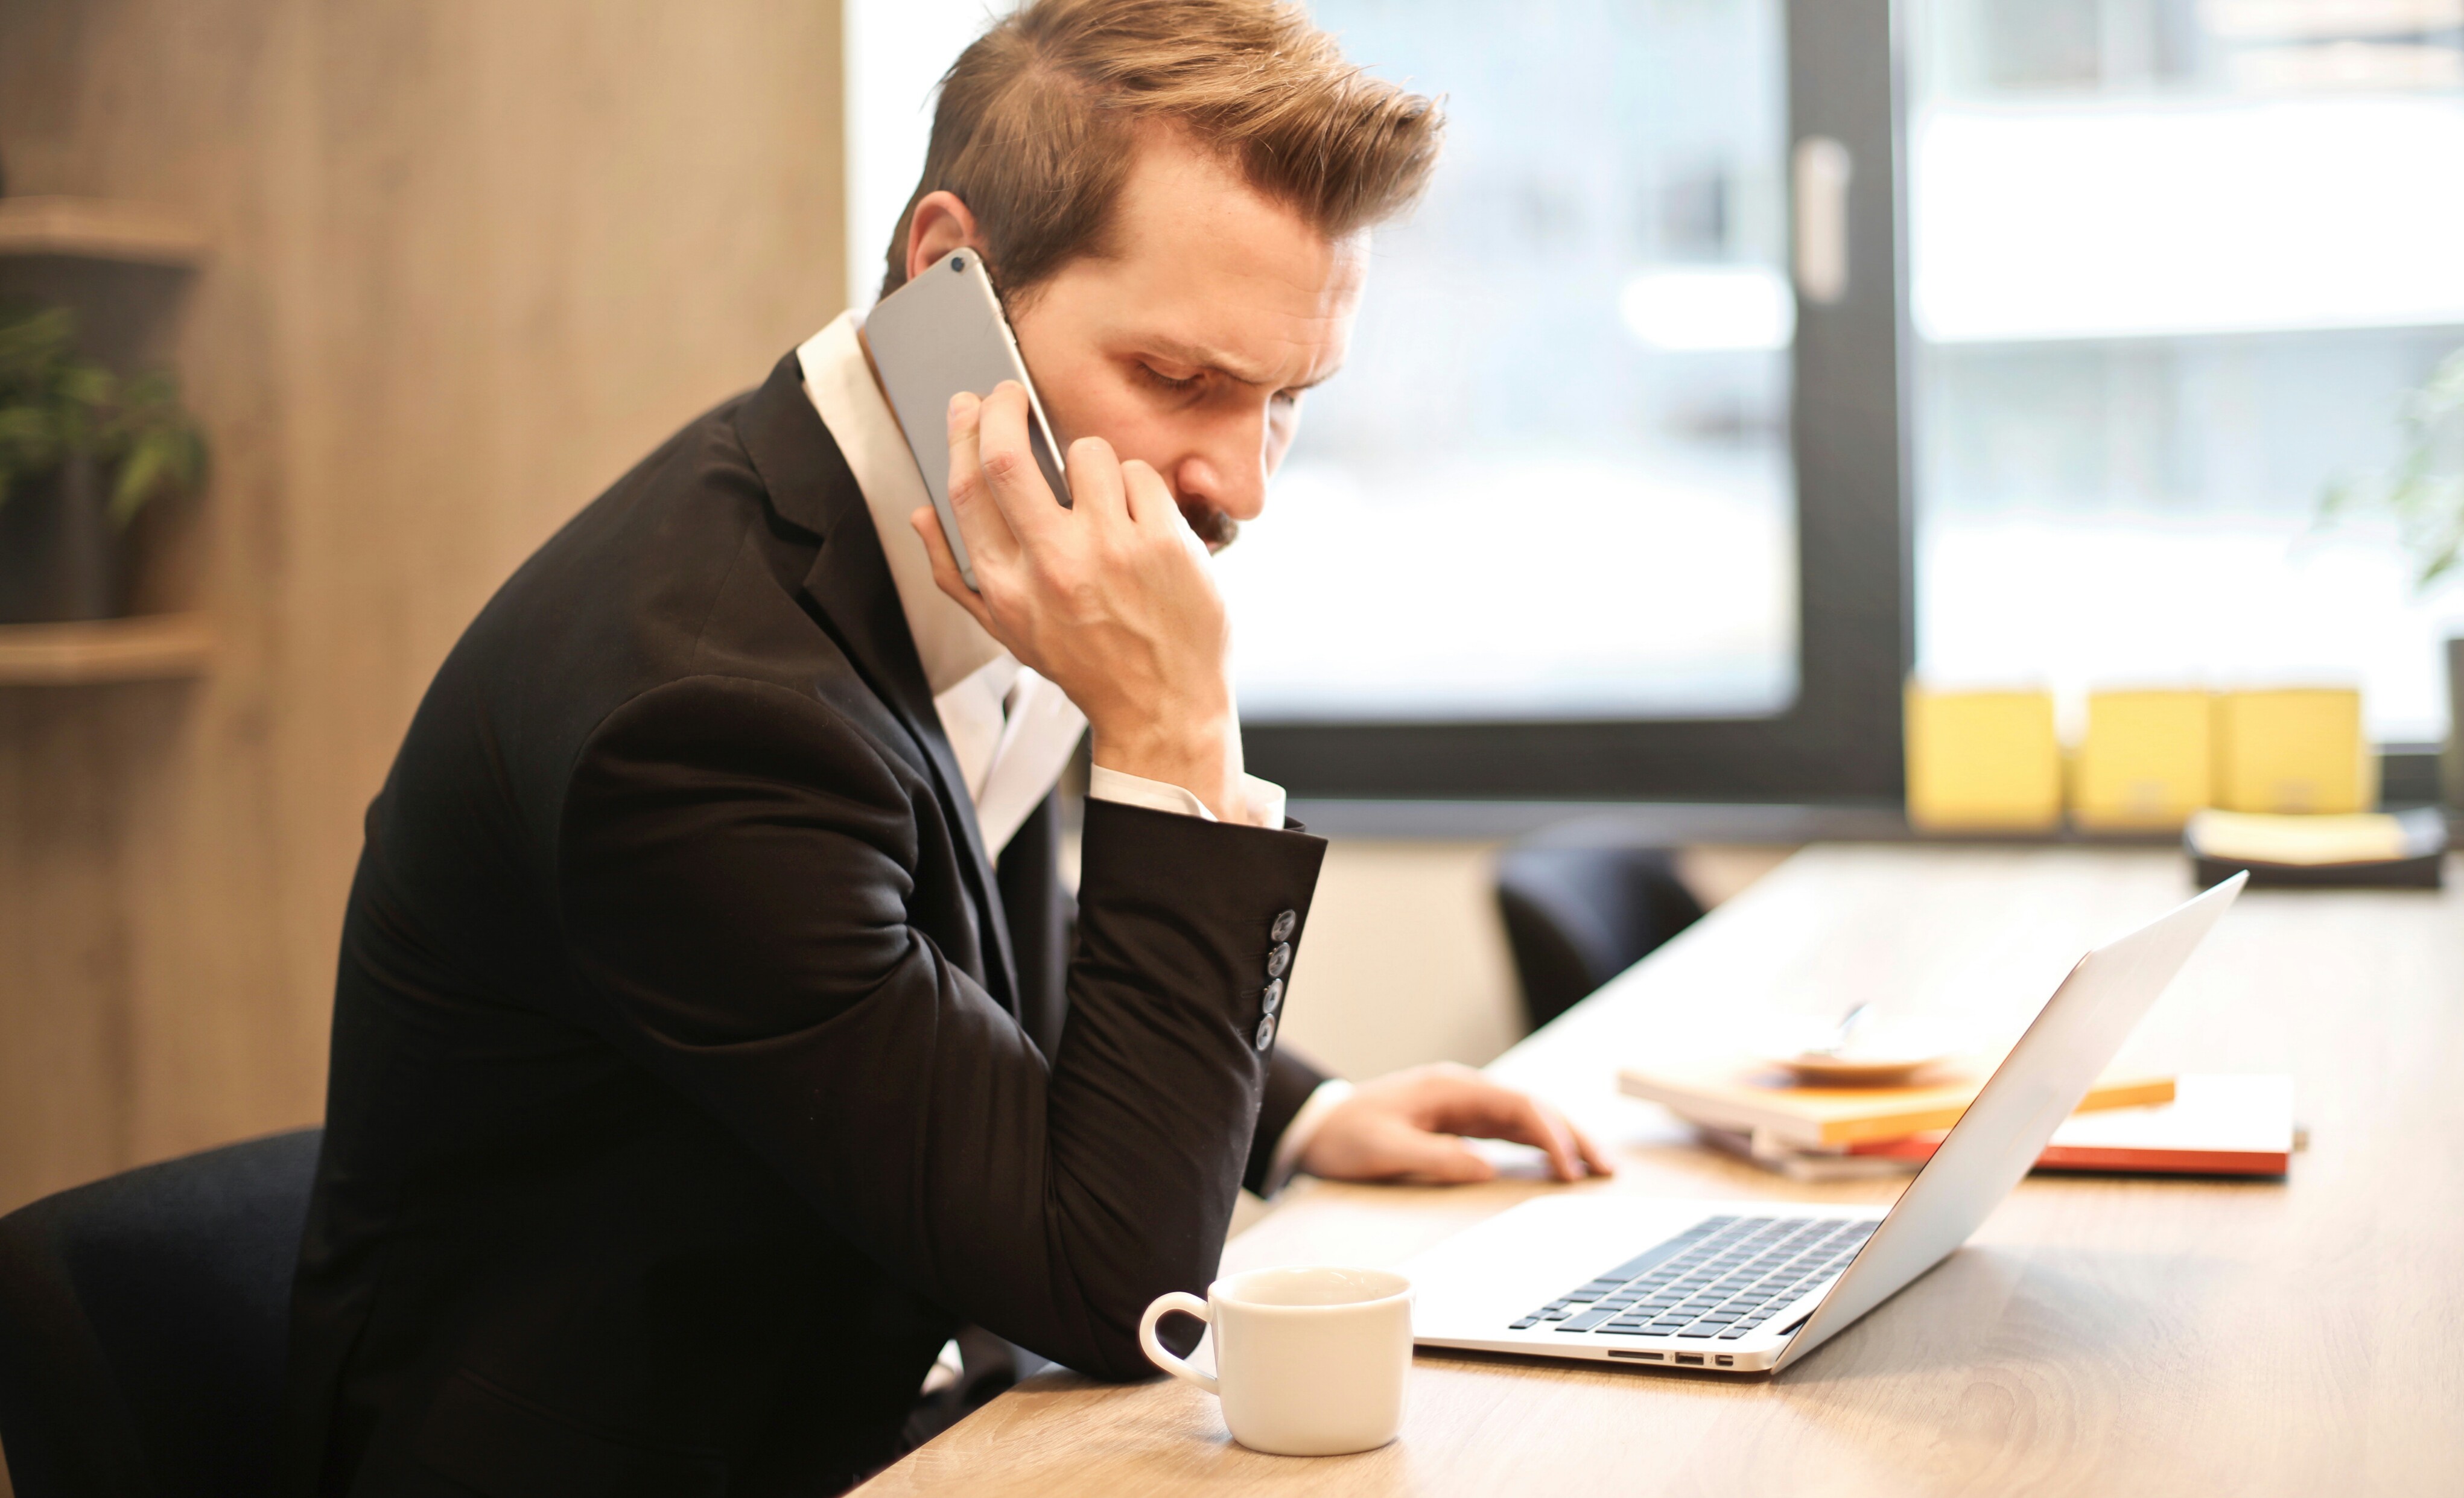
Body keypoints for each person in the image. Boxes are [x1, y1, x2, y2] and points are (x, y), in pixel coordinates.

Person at [280, 2, 1612, 1494]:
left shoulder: (982, 520)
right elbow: (1124, 1291)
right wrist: (1172, 731)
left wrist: (1302, 1112)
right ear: (946, 277)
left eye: (1288, 401)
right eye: (1179, 381)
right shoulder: (703, 718)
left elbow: (948, 924)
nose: (1240, 484)